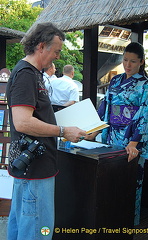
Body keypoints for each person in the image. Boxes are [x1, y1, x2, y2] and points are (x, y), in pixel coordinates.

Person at [6, 22, 87, 240]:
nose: (58, 57)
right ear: (41, 46)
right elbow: (22, 122)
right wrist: (62, 130)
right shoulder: (26, 75)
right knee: (37, 231)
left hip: (31, 167)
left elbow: (35, 117)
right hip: (35, 169)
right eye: (57, 51)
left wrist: (68, 127)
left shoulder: (33, 74)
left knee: (21, 224)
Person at [86, 42, 148, 225]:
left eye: (133, 61)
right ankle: (111, 216)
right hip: (111, 136)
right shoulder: (116, 80)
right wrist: (94, 130)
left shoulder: (145, 85)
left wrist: (134, 142)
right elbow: (105, 106)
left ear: (141, 62)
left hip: (132, 137)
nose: (128, 65)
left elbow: (145, 114)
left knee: (131, 179)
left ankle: (129, 221)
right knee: (111, 176)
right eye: (125, 60)